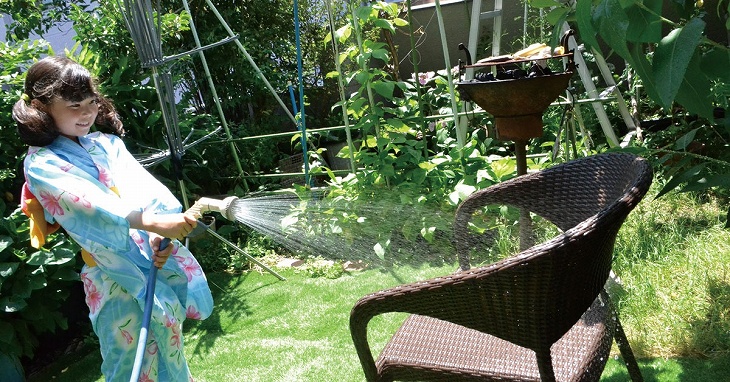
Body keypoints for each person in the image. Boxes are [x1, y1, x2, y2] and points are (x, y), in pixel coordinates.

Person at [13, 55, 213, 382]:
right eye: (74, 104)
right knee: (126, 359)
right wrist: (155, 223)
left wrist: (157, 232)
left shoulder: (106, 144)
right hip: (109, 276)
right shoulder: (40, 165)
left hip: (148, 261)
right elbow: (90, 205)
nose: (87, 113)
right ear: (41, 106)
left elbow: (141, 190)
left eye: (91, 102)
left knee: (170, 350)